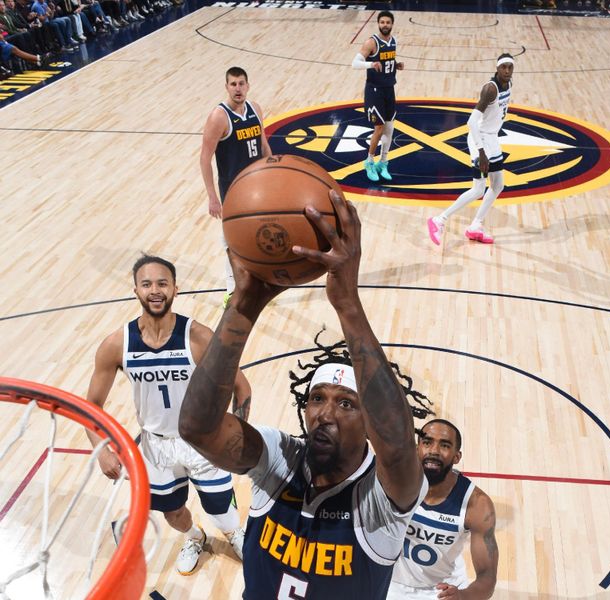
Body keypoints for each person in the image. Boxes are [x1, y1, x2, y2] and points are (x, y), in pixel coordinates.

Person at [178, 191, 430, 598]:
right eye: (317, 398)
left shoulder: (383, 496)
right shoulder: (281, 458)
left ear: (370, 421)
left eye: (346, 403)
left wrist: (347, 302)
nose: (325, 414)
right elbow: (196, 428)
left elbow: (399, 448)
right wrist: (242, 305)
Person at [85, 254, 251, 575]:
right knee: (173, 512)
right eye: (147, 284)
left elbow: (241, 387)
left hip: (203, 440)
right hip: (156, 445)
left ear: (176, 289)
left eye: (163, 283)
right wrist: (101, 448)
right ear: (135, 290)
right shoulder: (117, 344)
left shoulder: (199, 338)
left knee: (220, 508)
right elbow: (92, 404)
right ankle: (194, 537)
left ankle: (233, 533)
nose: (155, 290)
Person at [388, 419, 498, 600]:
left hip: (443, 589)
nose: (433, 451)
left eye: (445, 445)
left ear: (457, 456)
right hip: (391, 582)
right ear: (417, 449)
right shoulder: (392, 482)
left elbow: (487, 577)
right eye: (427, 442)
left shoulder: (477, 504)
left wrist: (463, 596)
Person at [200, 66, 272, 307]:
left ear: (248, 85)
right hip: (233, 190)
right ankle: (231, 290)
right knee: (231, 241)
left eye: (242, 83)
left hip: (258, 186)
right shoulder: (219, 116)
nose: (238, 88)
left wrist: (273, 172)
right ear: (226, 87)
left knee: (260, 235)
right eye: (233, 84)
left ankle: (259, 284)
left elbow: (263, 144)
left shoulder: (255, 109)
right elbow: (204, 158)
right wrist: (212, 197)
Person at [426, 54, 514, 246]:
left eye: (510, 67)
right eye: (504, 67)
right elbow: (471, 122)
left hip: (491, 139)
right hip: (479, 139)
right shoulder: (490, 89)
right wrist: (481, 153)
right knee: (478, 189)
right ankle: (438, 220)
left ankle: (476, 226)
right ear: (497, 69)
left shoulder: (509, 84)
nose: (507, 71)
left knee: (498, 185)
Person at [352, 10, 403, 183]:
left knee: (390, 128)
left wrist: (397, 65)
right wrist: (370, 64)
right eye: (382, 22)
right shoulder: (371, 42)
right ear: (378, 23)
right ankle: (369, 161)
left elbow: (387, 61)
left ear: (392, 24)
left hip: (389, 89)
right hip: (374, 91)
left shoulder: (393, 41)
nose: (385, 25)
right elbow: (355, 63)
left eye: (388, 22)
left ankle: (383, 162)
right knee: (379, 129)